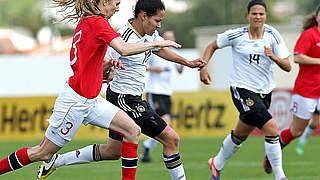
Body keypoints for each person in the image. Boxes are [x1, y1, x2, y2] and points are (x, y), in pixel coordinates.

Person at [0, 0, 182, 179]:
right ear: (104, 2)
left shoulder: (88, 20)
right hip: (75, 101)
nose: (117, 9)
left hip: (93, 100)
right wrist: (158, 43)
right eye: (115, 4)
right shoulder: (98, 22)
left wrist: (107, 67)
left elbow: (89, 60)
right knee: (42, 152)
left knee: (132, 131)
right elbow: (124, 49)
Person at [200, 0, 291, 180]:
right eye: (254, 13)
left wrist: (273, 57)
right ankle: (280, 177)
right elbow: (212, 46)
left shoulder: (273, 35)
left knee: (240, 135)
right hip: (241, 89)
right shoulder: (236, 35)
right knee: (272, 128)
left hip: (265, 92)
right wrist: (203, 67)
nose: (258, 17)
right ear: (247, 16)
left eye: (261, 14)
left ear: (266, 16)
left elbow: (287, 66)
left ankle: (216, 163)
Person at [263, 4, 320, 174]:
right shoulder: (309, 35)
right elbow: (297, 57)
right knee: (297, 130)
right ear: (317, 17)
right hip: (306, 90)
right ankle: (273, 151)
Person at [140, 29, 184, 163]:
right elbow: (142, 66)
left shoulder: (174, 53)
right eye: (167, 38)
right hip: (154, 91)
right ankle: (147, 146)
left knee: (165, 125)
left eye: (172, 37)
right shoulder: (155, 52)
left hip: (166, 92)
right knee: (165, 124)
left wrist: (184, 65)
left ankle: (147, 147)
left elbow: (179, 70)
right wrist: (154, 69)